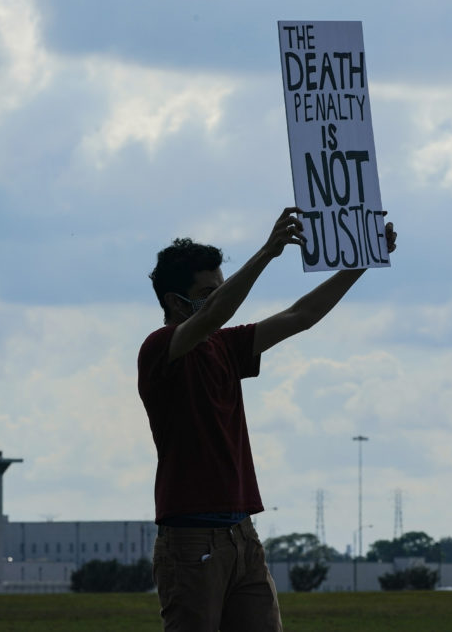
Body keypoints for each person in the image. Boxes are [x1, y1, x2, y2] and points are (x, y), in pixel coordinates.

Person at [137, 206, 397, 631]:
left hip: (242, 533)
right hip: (190, 539)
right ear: (174, 301)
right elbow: (212, 315)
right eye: (208, 290)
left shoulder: (224, 347)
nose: (220, 296)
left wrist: (361, 262)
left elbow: (300, 316)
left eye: (220, 286)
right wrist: (267, 253)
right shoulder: (161, 348)